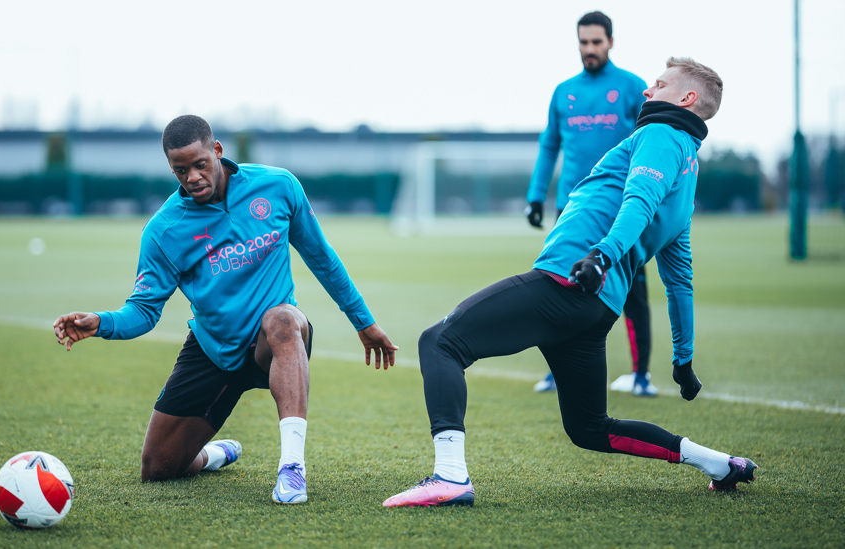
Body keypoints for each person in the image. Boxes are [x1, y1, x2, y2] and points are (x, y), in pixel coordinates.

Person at [385, 57, 758, 508]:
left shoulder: (660, 135)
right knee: (588, 428)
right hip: (595, 309)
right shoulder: (688, 170)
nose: (646, 91)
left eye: (658, 84)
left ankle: (450, 477)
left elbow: (637, 204)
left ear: (686, 98)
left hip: (568, 283)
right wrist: (684, 359)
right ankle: (721, 463)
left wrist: (599, 256)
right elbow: (680, 279)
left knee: (439, 342)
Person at [54, 115, 398, 505]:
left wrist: (363, 321)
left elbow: (322, 257)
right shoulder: (164, 230)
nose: (193, 177)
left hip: (275, 343)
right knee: (158, 469)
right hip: (213, 348)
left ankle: (292, 469)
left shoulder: (278, 186)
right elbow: (143, 310)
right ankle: (214, 453)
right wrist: (102, 322)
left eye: (200, 164)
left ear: (217, 151)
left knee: (283, 318)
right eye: (180, 171)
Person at [524, 11, 655, 396]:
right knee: (558, 288)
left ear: (610, 42)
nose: (590, 49)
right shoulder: (564, 91)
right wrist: (536, 195)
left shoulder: (633, 88)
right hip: (572, 207)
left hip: (620, 206)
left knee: (634, 289)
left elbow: (650, 145)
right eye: (584, 42)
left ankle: (641, 375)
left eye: (597, 42)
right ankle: (557, 372)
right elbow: (550, 145)